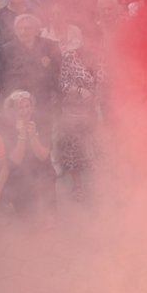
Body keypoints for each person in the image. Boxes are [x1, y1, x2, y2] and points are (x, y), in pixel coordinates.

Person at [0, 90, 56, 226]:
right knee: (29, 221)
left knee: (48, 174)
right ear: (12, 111)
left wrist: (33, 136)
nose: (25, 111)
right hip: (19, 172)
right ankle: (14, 204)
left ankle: (49, 210)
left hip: (41, 168)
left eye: (27, 106)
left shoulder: (42, 122)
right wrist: (22, 135)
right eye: (20, 108)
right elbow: (16, 160)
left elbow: (43, 156)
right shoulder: (6, 127)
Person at [57, 39, 103, 201]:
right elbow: (62, 84)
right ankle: (77, 187)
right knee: (73, 150)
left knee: (94, 148)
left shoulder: (100, 59)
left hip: (92, 112)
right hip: (73, 112)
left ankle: (98, 188)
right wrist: (78, 90)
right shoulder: (70, 57)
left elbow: (103, 84)